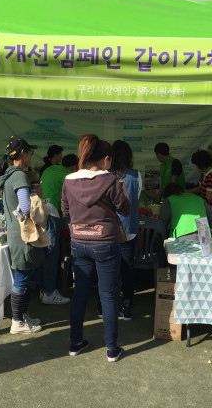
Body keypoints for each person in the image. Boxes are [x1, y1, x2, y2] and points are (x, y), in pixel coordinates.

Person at [61, 134, 131, 362]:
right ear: (106, 159)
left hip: (78, 243)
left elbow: (65, 211)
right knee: (108, 296)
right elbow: (125, 209)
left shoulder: (68, 180)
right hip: (105, 243)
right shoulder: (110, 180)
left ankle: (75, 343)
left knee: (80, 294)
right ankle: (112, 349)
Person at [0, 136, 43, 334]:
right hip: (24, 235)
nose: (31, 156)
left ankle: (22, 317)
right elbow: (25, 207)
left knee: (24, 277)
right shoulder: (19, 176)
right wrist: (37, 197)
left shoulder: (7, 175)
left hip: (15, 234)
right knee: (22, 279)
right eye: (30, 152)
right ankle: (17, 322)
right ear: (23, 153)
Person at [38, 154, 78, 305]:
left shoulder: (50, 169)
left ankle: (44, 290)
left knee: (44, 252)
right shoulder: (68, 176)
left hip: (40, 212)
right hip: (51, 214)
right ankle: (50, 293)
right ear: (74, 167)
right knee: (51, 253)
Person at [111, 140, 142, 321]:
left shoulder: (104, 175)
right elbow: (136, 197)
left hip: (108, 228)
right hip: (128, 227)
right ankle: (127, 307)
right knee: (127, 268)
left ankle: (105, 306)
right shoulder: (135, 175)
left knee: (108, 268)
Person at [186, 150, 212, 216]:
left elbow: (208, 198)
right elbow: (199, 189)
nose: (196, 167)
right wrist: (185, 192)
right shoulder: (205, 175)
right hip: (205, 211)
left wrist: (193, 201)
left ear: (201, 165)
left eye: (196, 165)